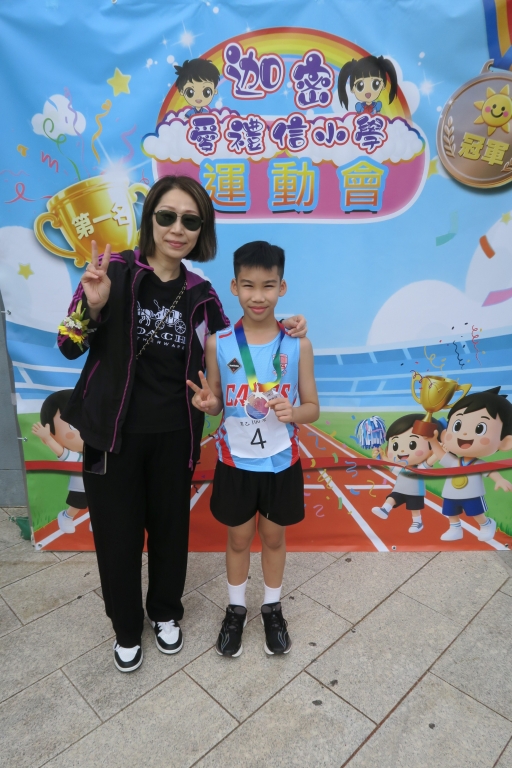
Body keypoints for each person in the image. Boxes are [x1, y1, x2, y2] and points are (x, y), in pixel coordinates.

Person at [57, 176, 306, 672]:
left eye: (190, 221)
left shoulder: (201, 293)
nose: (177, 228)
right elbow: (68, 344)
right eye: (167, 216)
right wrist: (93, 305)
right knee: (118, 536)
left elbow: (236, 345)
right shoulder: (115, 271)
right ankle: (126, 628)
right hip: (112, 435)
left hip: (176, 434)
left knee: (171, 532)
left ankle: (165, 612)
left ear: (201, 230)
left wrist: (285, 328)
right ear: (149, 218)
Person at [188, 241, 319, 657]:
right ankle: (236, 609)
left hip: (280, 462)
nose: (257, 296)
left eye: (268, 285)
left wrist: (294, 413)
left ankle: (272, 609)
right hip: (236, 462)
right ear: (234, 286)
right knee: (239, 538)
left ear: (282, 287)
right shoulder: (219, 342)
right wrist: (209, 404)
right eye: (248, 285)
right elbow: (216, 403)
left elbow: (313, 407)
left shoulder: (298, 344)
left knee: (274, 538)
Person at [428, 387, 512, 542]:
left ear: (505, 442)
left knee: (476, 512)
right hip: (451, 494)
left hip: (472, 494)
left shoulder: (477, 463)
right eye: (457, 426)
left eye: (480, 429)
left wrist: (499, 479)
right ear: (445, 435)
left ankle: (486, 524)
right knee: (450, 511)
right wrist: (433, 441)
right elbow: (441, 455)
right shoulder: (454, 461)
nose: (465, 434)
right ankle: (455, 528)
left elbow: (489, 471)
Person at [371, 413, 442, 534]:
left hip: (415, 492)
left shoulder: (419, 468)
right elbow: (389, 463)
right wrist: (381, 454)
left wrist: (439, 449)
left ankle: (417, 522)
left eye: (412, 444)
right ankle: (385, 509)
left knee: (414, 508)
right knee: (392, 497)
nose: (402, 450)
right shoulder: (401, 469)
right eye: (395, 445)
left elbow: (431, 460)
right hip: (399, 490)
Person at [31, 389, 88, 534]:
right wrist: (48, 438)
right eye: (73, 426)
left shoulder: (101, 453)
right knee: (78, 503)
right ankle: (66, 516)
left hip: (101, 484)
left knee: (101, 502)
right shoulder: (76, 456)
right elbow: (61, 452)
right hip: (80, 486)